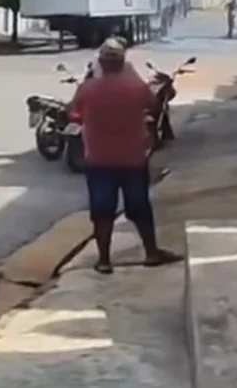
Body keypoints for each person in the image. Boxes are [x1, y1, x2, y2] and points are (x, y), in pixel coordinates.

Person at [70, 38, 184, 275]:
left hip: (99, 160)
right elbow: (154, 106)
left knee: (102, 210)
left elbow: (72, 111)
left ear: (100, 62)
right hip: (132, 158)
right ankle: (151, 253)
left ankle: (103, 260)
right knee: (139, 206)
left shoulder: (88, 89)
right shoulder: (136, 87)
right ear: (123, 62)